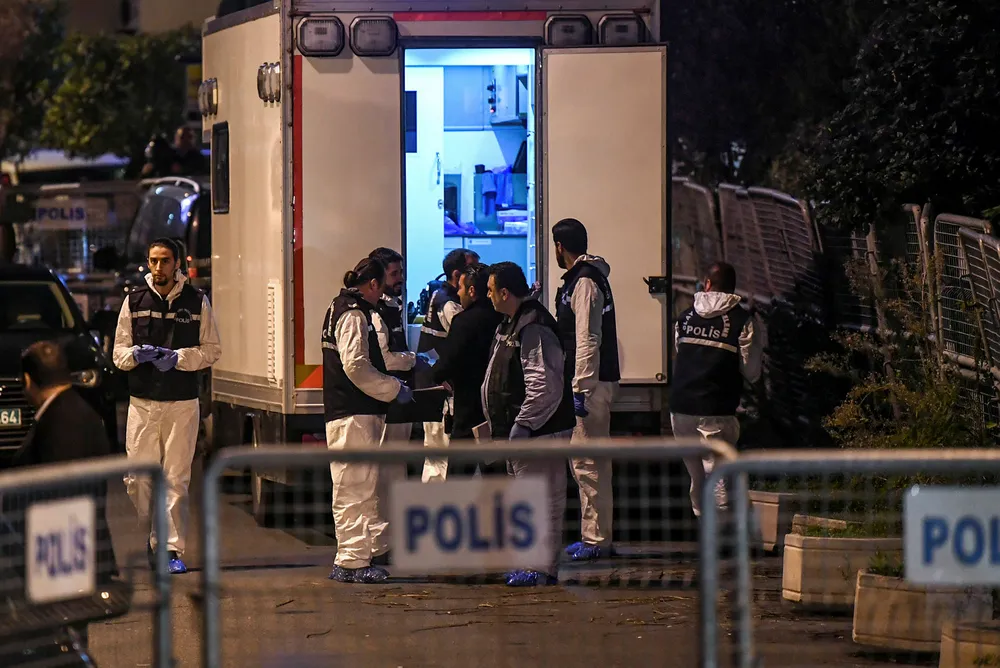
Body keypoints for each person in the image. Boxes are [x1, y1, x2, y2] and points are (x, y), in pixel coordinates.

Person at [0, 341, 118, 659]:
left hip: (60, 559)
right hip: (69, 556)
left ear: (28, 381)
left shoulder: (62, 422)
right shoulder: (79, 412)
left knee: (58, 647)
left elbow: (57, 494)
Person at [112, 237, 222, 575]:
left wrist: (179, 358)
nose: (158, 267)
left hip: (181, 403)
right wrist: (136, 355)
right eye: (153, 261)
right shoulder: (134, 301)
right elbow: (118, 353)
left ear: (177, 264)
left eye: (165, 261)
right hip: (143, 404)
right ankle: (154, 532)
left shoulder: (196, 301)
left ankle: (169, 548)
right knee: (138, 478)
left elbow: (212, 350)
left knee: (175, 479)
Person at [482, 262, 576, 587]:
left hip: (540, 432)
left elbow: (544, 385)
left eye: (491, 290)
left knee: (542, 500)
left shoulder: (533, 326)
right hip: (524, 432)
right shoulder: (514, 322)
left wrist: (524, 424)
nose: (488, 296)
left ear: (505, 293)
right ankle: (530, 564)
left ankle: (540, 568)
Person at [323, 257, 414, 584]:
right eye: (381, 287)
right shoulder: (353, 314)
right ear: (373, 284)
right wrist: (394, 388)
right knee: (356, 489)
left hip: (350, 413)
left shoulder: (339, 307)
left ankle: (354, 557)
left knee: (355, 487)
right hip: (354, 413)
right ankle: (351, 562)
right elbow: (356, 367)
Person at [669, 261, 763, 519]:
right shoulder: (742, 321)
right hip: (715, 408)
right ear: (733, 288)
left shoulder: (685, 317)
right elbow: (751, 370)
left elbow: (681, 352)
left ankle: (703, 525)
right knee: (718, 475)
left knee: (697, 477)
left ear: (707, 284)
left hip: (681, 407)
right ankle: (720, 531)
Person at [551, 218, 621, 562]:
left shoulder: (585, 282)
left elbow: (587, 338)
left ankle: (596, 540)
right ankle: (594, 536)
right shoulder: (584, 279)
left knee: (588, 464)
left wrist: (580, 387)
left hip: (589, 385)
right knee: (587, 464)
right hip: (590, 383)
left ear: (559, 247)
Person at [432, 262, 504, 476]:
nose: (458, 292)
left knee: (458, 480)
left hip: (468, 410)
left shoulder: (464, 321)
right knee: (496, 478)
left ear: (472, 291)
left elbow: (449, 361)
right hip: (497, 411)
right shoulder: (503, 318)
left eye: (461, 288)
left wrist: (435, 374)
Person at [416, 248, 477, 482]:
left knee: (436, 455)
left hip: (435, 386)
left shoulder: (440, 296)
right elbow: (466, 339)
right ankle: (440, 502)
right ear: (457, 275)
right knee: (440, 457)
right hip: (441, 391)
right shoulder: (450, 304)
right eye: (472, 269)